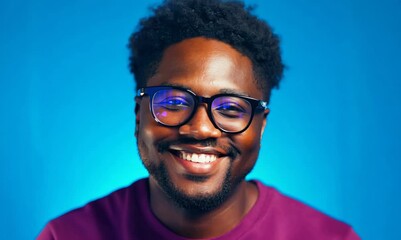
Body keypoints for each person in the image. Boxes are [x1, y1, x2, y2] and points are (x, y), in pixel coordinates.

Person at [38, 0, 360, 239]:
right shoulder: (67, 236)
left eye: (231, 108)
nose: (201, 128)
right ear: (139, 116)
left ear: (261, 127)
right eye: (174, 101)